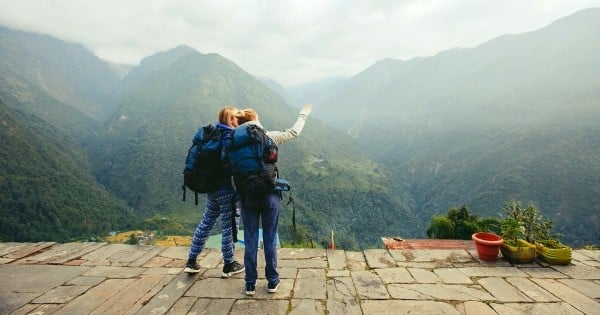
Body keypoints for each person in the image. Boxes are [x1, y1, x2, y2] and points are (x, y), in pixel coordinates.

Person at [234, 104, 313, 296]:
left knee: (250, 238)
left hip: (246, 196)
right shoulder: (268, 136)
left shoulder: (234, 142)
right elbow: (293, 133)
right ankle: (272, 282)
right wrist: (304, 114)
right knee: (269, 237)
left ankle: (250, 284)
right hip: (269, 193)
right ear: (256, 120)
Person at [184, 106, 245, 278]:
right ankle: (228, 264)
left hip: (211, 188)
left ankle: (191, 260)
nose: (238, 121)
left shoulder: (212, 135)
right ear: (231, 120)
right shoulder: (229, 137)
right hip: (226, 189)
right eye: (235, 118)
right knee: (229, 225)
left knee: (206, 222)